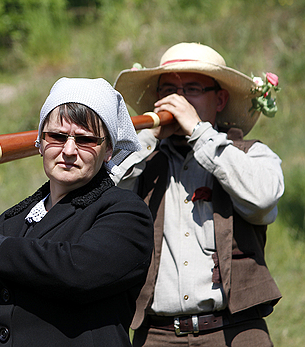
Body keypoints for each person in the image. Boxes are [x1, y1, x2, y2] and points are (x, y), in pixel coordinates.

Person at [0, 77, 154, 347]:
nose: (68, 150)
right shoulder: (12, 222)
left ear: (108, 150)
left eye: (85, 140)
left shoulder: (125, 211)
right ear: (40, 141)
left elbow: (77, 271)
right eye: (57, 136)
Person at [112, 42, 284, 346]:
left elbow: (264, 200)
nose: (178, 101)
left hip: (236, 331)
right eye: (168, 91)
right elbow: (101, 200)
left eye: (192, 89)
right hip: (156, 335)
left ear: (220, 100)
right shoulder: (140, 158)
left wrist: (198, 131)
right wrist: (146, 139)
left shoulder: (250, 154)